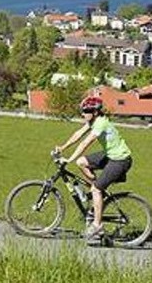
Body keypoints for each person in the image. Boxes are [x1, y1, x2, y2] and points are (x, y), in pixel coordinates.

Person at [55, 96, 133, 242]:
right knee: (82, 162)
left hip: (120, 160)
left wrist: (68, 159)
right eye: (82, 111)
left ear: (95, 112)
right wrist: (63, 147)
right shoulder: (92, 121)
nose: (83, 114)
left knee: (96, 190)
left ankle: (97, 225)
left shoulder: (101, 124)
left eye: (86, 111)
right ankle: (98, 190)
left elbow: (86, 143)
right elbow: (78, 134)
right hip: (111, 155)